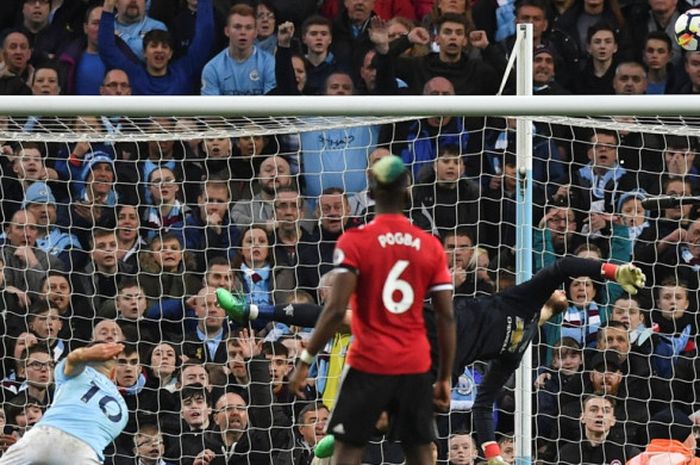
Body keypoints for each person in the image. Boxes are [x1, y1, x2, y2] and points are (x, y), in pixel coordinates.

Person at [219, 256, 646, 465]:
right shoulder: (522, 299)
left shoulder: (518, 346)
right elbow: (563, 268)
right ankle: (255, 312)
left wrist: (493, 452)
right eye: (555, 299)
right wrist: (610, 270)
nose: (556, 297)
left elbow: (484, 403)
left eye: (556, 304)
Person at [291, 155, 457, 465]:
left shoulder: (354, 241)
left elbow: (335, 309)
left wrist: (305, 361)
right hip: (414, 363)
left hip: (368, 361)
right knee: (421, 452)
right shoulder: (430, 245)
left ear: (372, 194)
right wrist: (444, 377)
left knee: (347, 452)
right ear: (407, 194)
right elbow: (446, 316)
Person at [0, 342, 127, 465]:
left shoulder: (80, 373)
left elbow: (74, 359)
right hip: (85, 454)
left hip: (47, 436)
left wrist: (84, 354)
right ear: (114, 372)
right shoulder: (123, 410)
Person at [626, 408, 700, 464]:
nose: (695, 438)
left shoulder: (634, 462)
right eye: (693, 433)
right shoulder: (691, 462)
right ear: (683, 437)